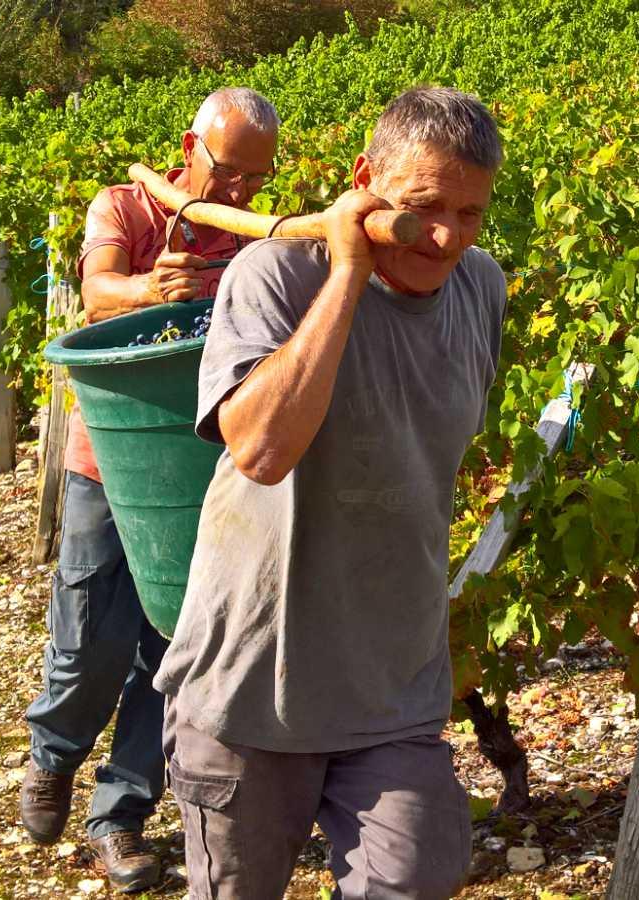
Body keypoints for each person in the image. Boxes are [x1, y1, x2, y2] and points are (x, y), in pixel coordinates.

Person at [155, 86, 506, 899]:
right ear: (364, 182)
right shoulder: (272, 274)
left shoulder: (482, 287)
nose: (446, 236)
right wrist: (348, 271)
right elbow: (263, 448)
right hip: (251, 684)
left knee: (416, 873)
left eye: (472, 212)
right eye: (423, 207)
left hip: (394, 683)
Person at [20, 87, 279, 894]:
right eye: (227, 172)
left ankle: (121, 817)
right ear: (189, 146)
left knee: (173, 649)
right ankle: (53, 754)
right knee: (93, 630)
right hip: (115, 458)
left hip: (209, 468)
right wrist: (146, 291)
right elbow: (98, 290)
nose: (238, 194)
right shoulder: (126, 207)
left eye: (254, 182)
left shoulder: (252, 240)